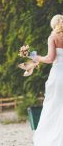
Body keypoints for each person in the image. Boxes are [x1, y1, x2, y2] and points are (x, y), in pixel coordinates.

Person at [32, 14, 63, 146]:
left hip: (58, 75)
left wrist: (37, 58)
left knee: (54, 105)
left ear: (53, 25)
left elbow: (50, 58)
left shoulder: (53, 37)